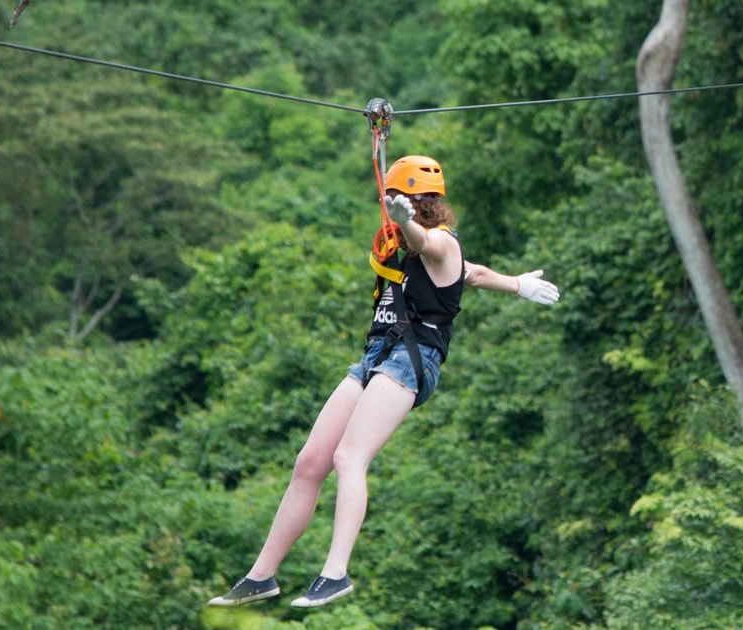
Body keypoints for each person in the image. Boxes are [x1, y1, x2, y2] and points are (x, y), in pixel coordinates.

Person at [207, 155, 560, 608]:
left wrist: (407, 221)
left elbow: (433, 248)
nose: (388, 209)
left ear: (417, 205)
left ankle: (335, 573)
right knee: (311, 461)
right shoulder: (403, 242)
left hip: (415, 359)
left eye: (397, 203)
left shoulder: (437, 241)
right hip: (377, 354)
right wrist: (516, 284)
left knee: (349, 456)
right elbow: (472, 274)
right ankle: (261, 576)